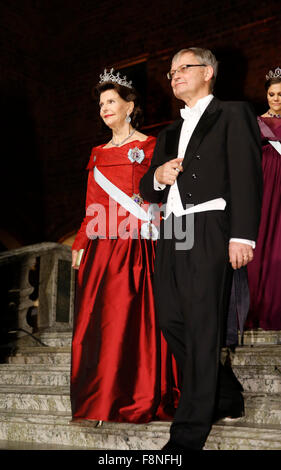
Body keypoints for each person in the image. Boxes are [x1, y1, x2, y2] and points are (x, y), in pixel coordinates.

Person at [140, 47, 262, 451]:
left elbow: (247, 174)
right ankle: (225, 395)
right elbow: (147, 190)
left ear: (207, 72)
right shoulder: (168, 133)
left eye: (182, 68)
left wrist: (242, 236)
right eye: (170, 70)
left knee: (203, 324)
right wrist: (157, 176)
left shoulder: (233, 113)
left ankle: (187, 435)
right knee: (170, 320)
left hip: (211, 225)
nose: (173, 75)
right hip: (173, 232)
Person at [70, 69, 179, 425]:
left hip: (139, 247)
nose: (104, 108)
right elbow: (91, 205)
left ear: (130, 105)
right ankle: (102, 397)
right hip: (104, 251)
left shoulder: (150, 146)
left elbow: (162, 196)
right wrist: (82, 240)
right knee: (103, 326)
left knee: (134, 325)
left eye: (111, 101)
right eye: (101, 103)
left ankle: (136, 394)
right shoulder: (97, 152)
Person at [245, 67, 281, 330]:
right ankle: (257, 310)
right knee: (263, 245)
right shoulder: (256, 124)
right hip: (266, 187)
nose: (276, 99)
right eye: (272, 94)